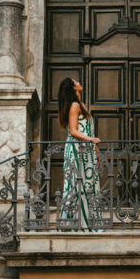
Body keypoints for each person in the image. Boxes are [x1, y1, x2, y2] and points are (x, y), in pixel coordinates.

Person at [57, 77, 101, 230]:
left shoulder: (79, 104)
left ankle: (86, 223)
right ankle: (74, 224)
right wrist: (91, 139)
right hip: (77, 148)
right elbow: (74, 131)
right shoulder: (74, 105)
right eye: (76, 82)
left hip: (86, 148)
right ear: (74, 88)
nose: (79, 82)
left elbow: (87, 129)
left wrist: (95, 150)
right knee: (76, 184)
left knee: (87, 184)